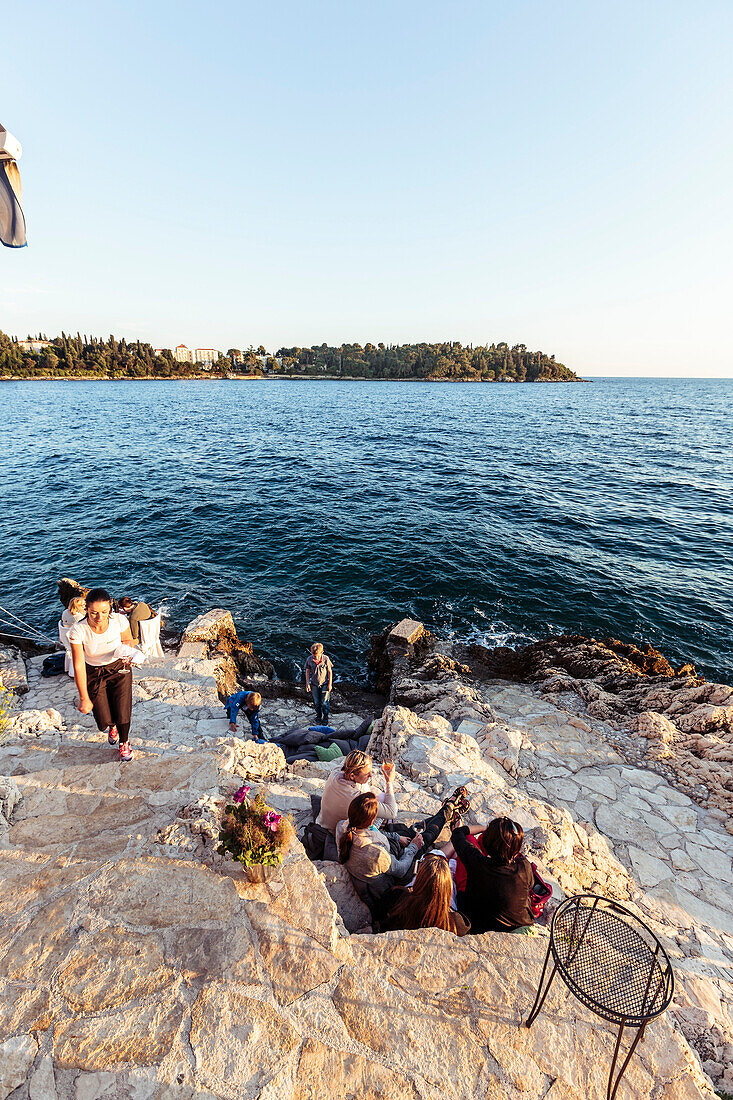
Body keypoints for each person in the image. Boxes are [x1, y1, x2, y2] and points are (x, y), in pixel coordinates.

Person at [69, 588, 137, 762]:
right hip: (94, 672)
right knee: (103, 721)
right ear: (87, 611)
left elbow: (128, 641)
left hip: (119, 669)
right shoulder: (78, 631)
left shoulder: (119, 621)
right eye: (94, 613)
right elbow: (78, 664)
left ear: (110, 609)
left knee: (123, 710)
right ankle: (111, 726)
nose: (100, 618)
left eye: (104, 612)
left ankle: (124, 742)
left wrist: (130, 655)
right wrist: (83, 697)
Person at [336, 792, 423, 908]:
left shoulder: (341, 827)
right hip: (385, 887)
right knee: (422, 841)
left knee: (404, 834)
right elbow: (401, 870)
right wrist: (413, 847)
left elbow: (373, 834)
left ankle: (445, 811)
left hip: (370, 868)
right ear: (372, 822)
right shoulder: (375, 852)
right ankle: (445, 812)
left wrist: (397, 838)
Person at [452, 816, 534, 934]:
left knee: (467, 849)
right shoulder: (524, 866)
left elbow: (458, 833)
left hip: (482, 927)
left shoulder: (478, 862)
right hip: (521, 925)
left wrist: (485, 829)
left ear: (486, 843)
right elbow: (530, 886)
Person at [379, 854, 471, 936]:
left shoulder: (396, 896)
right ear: (448, 886)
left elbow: (379, 916)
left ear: (418, 878)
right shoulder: (457, 923)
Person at [316, 750, 397, 833]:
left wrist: (366, 759)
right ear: (352, 776)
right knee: (384, 799)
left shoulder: (337, 771)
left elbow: (351, 756)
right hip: (339, 832)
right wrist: (389, 781)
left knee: (379, 796)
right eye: (367, 774)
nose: (371, 775)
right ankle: (386, 830)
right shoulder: (356, 799)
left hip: (322, 822)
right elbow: (392, 812)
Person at [304, 642, 333, 724]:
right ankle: (319, 715)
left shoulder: (326, 659)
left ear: (322, 653)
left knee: (324, 702)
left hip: (324, 683)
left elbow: (330, 671)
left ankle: (326, 716)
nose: (314, 657)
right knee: (316, 702)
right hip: (314, 684)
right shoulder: (309, 659)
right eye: (313, 655)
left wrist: (330, 684)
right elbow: (307, 671)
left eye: (316, 656)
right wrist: (307, 684)